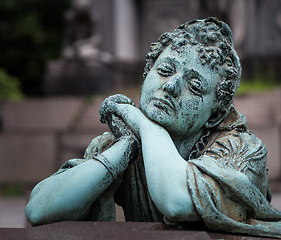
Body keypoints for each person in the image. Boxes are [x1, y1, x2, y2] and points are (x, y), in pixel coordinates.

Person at [26, 17, 281, 238]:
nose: (171, 86)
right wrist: (126, 147)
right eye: (165, 70)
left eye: (194, 87)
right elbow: (40, 209)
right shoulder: (123, 143)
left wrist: (145, 126)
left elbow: (178, 201)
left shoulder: (243, 151)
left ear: (214, 114)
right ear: (147, 72)